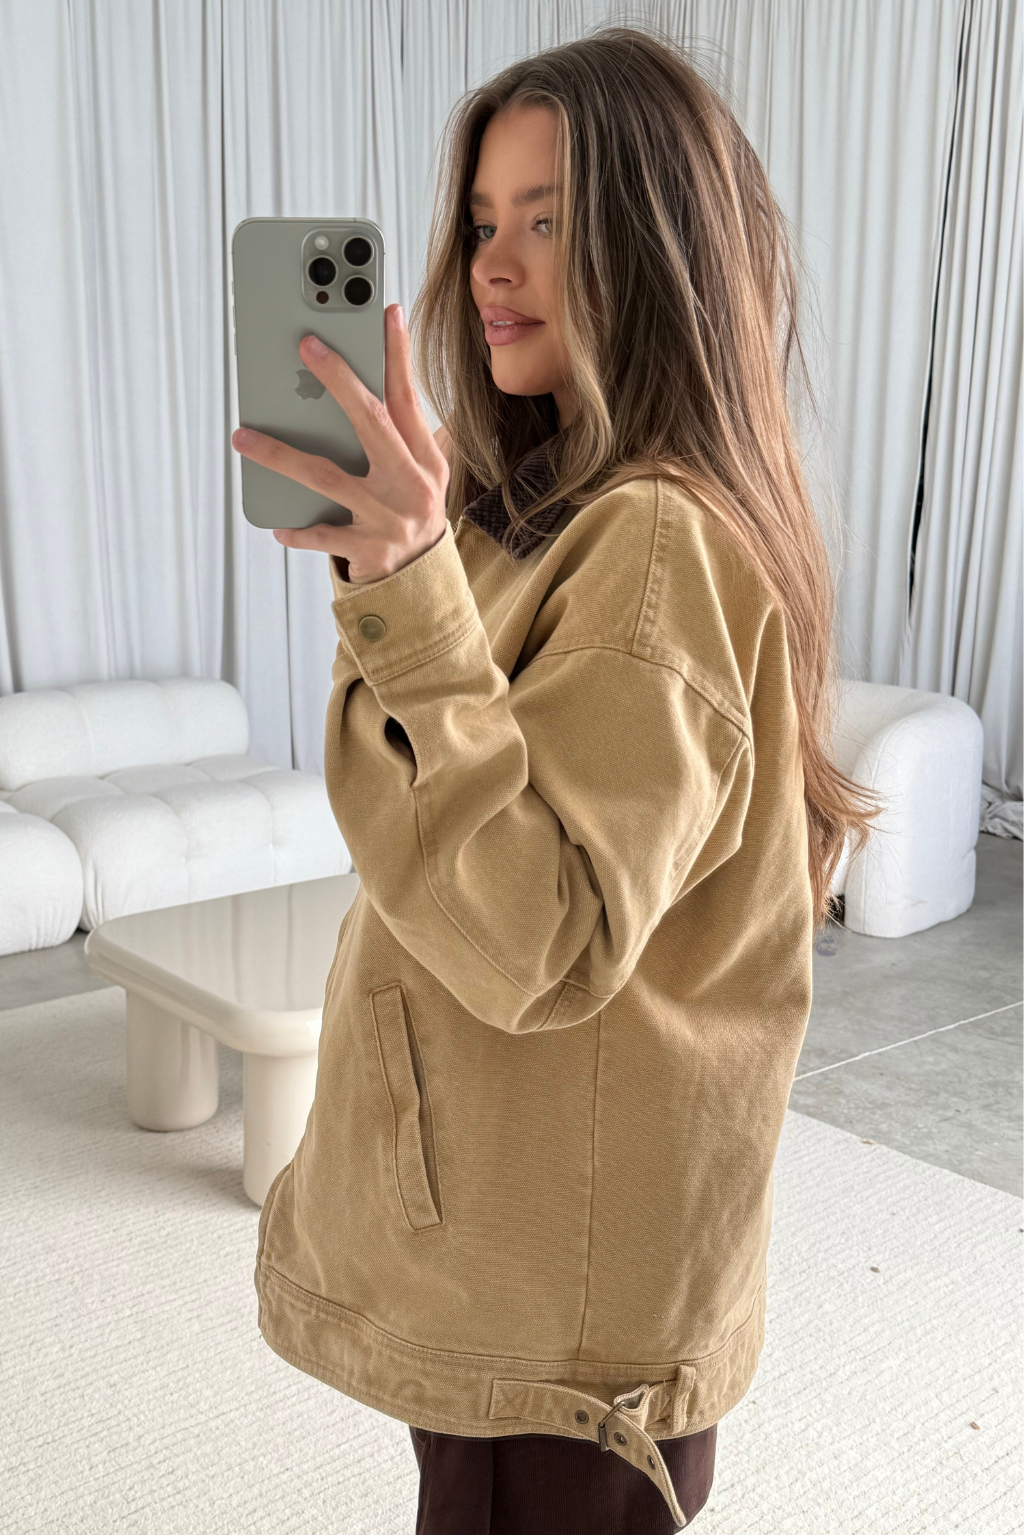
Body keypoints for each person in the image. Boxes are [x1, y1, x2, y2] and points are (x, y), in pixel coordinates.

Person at [232, 25, 882, 1534]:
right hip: (527, 1284)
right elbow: (428, 815)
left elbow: (539, 935)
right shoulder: (552, 511)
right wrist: (400, 572)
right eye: (480, 221)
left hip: (565, 1341)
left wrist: (408, 589)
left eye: (549, 218)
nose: (496, 265)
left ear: (658, 249)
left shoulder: (655, 545)